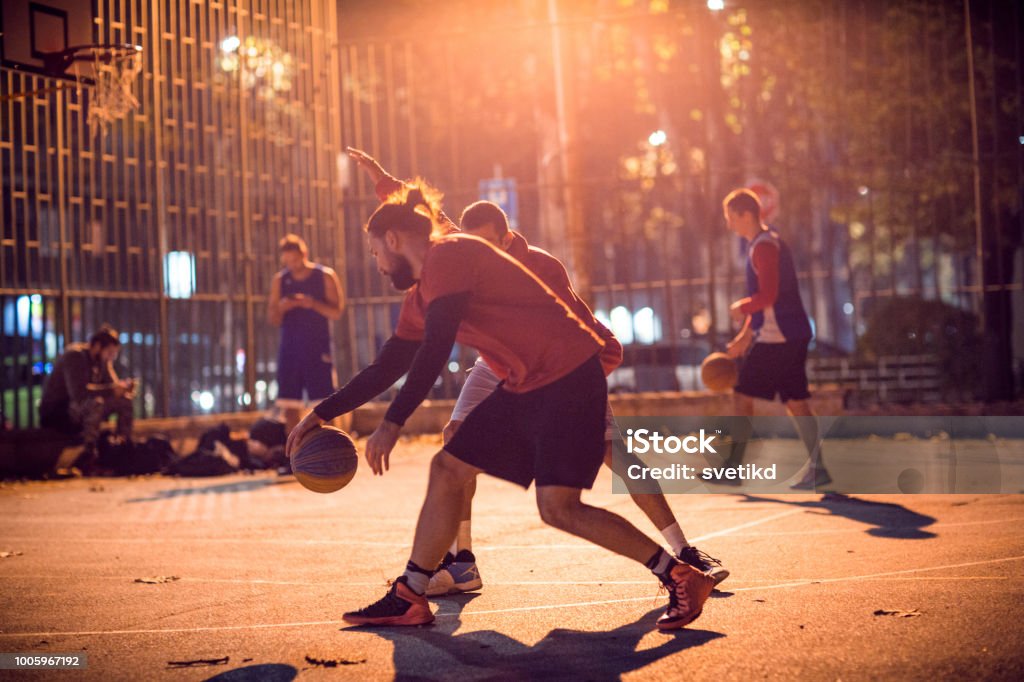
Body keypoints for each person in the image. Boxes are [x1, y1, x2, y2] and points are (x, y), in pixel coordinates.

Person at [287, 182, 715, 631]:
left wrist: (392, 422)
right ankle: (410, 595)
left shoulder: (450, 254)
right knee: (448, 469)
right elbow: (390, 363)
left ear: (393, 240)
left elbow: (434, 348)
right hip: (526, 383)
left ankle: (680, 574)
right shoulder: (420, 296)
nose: (376, 265)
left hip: (568, 375)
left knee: (558, 508)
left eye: (375, 252)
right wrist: (321, 413)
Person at [721, 188, 831, 490]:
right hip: (789, 333)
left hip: (779, 337)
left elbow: (768, 296)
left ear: (745, 215)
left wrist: (741, 308)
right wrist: (745, 336)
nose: (729, 224)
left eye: (731, 217)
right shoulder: (764, 244)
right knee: (797, 402)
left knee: (742, 395)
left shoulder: (763, 247)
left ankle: (733, 468)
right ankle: (818, 468)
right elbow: (767, 304)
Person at [267, 234, 344, 434]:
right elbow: (273, 318)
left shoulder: (325, 276)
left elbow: (336, 312)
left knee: (325, 406)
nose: (292, 265)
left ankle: (333, 450)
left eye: (295, 260)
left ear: (304, 254)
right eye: (288, 262)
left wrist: (313, 304)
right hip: (290, 350)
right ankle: (293, 457)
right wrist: (283, 307)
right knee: (290, 407)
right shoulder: (280, 280)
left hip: (318, 350)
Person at [38, 325, 135, 461]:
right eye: (109, 352)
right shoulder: (75, 356)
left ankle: (123, 447)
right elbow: (78, 393)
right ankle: (89, 454)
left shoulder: (101, 361)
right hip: (59, 411)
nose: (111, 357)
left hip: (80, 409)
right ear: (97, 346)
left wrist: (122, 389)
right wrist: (112, 390)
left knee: (125, 401)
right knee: (96, 403)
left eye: (114, 354)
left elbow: (113, 387)